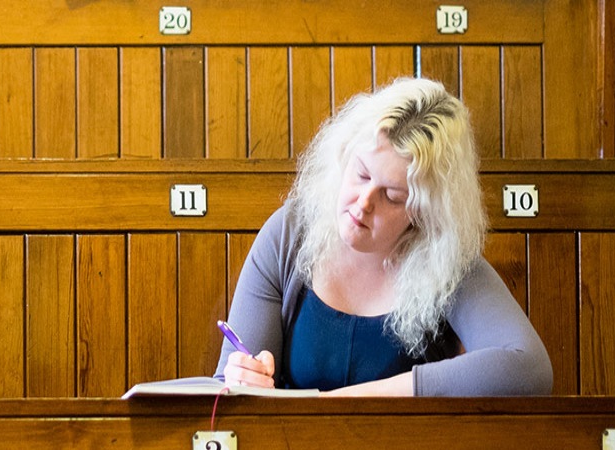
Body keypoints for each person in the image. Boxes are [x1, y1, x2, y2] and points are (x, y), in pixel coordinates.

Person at [213, 77, 552, 396]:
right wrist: (242, 377)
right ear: (344, 156)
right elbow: (229, 384)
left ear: (423, 213)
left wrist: (357, 399)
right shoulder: (291, 231)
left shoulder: (443, 255)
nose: (363, 204)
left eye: (391, 197)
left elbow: (529, 367)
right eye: (361, 174)